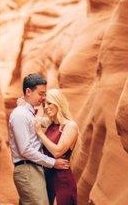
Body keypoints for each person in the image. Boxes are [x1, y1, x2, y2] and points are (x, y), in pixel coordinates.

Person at [9, 74, 69, 205]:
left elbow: (44, 123)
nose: (43, 98)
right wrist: (53, 162)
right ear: (28, 91)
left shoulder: (29, 113)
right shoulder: (20, 114)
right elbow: (25, 150)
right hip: (27, 169)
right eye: (41, 94)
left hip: (33, 169)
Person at [34, 88, 78, 205]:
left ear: (58, 103)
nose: (46, 107)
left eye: (49, 103)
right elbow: (33, 119)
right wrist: (25, 106)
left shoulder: (70, 126)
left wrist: (40, 133)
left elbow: (57, 152)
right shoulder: (51, 125)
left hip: (62, 181)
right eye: (44, 104)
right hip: (47, 180)